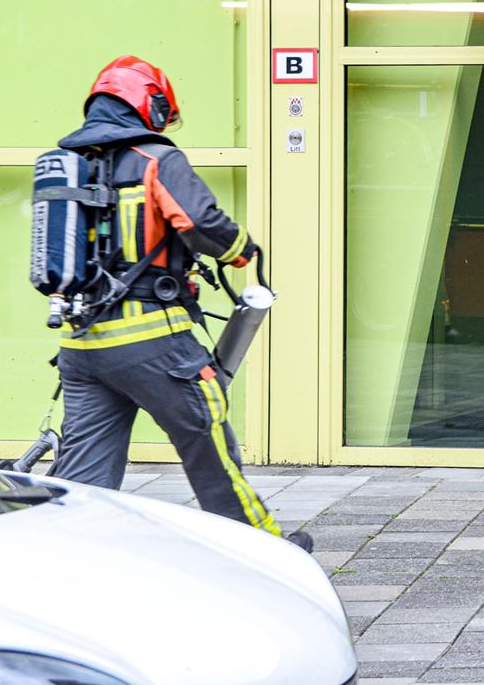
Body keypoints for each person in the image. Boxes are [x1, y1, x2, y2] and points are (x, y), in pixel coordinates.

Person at [49, 57, 307, 548]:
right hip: (154, 345)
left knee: (83, 474)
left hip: (81, 346)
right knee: (209, 447)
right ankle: (266, 553)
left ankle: (62, 559)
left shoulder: (72, 166)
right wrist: (242, 250)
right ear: (149, 104)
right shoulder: (156, 159)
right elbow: (202, 223)